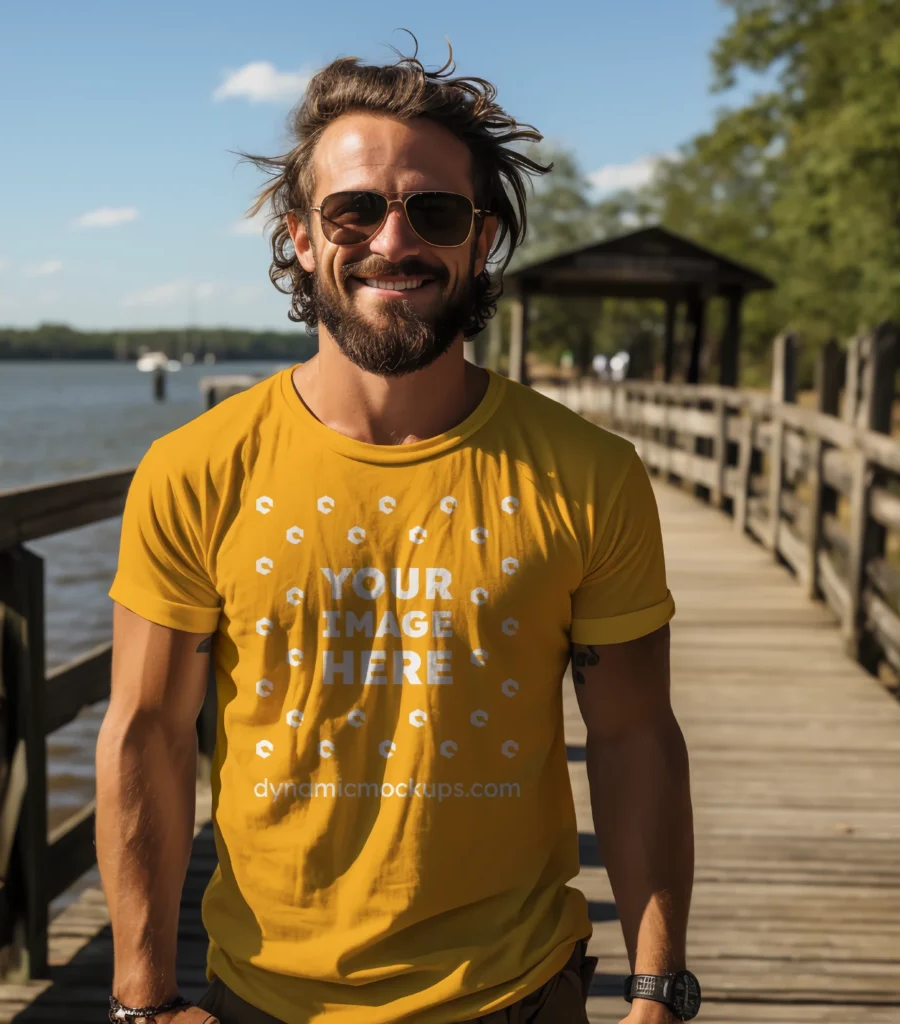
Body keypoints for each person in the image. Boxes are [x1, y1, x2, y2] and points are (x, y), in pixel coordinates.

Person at [98, 39, 697, 1024]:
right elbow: (147, 736)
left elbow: (633, 736)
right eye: (355, 209)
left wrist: (658, 986)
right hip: (262, 996)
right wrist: (140, 997)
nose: (393, 240)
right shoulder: (197, 470)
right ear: (299, 234)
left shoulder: (590, 475)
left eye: (434, 210)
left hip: (515, 992)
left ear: (482, 236)